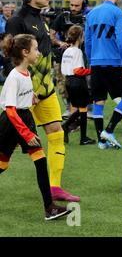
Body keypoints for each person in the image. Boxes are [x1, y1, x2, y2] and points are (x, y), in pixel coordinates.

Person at [6, 0, 79, 202]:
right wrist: (26, 89)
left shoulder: (41, 18)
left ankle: (55, 186)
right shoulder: (18, 20)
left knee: (56, 132)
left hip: (45, 92)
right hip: (25, 95)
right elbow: (12, 55)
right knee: (6, 148)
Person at [0, 34, 70, 220]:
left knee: (40, 161)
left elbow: (22, 99)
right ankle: (50, 208)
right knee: (2, 164)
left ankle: (50, 208)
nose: (39, 53)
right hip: (11, 123)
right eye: (36, 49)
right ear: (25, 52)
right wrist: (26, 133)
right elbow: (10, 110)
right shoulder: (14, 76)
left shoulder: (27, 73)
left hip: (24, 118)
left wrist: (31, 97)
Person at [85, 0, 122, 150]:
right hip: (113, 62)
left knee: (99, 101)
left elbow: (87, 41)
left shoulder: (91, 14)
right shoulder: (117, 12)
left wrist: (91, 59)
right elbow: (121, 38)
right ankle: (109, 130)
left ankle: (101, 142)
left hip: (96, 63)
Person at [50, 0, 89, 119]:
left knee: (84, 83)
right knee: (62, 83)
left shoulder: (88, 16)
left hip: (82, 55)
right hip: (63, 55)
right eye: (71, 5)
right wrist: (60, 42)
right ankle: (68, 107)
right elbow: (52, 34)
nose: (73, 8)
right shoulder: (62, 17)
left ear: (83, 5)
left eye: (76, 6)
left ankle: (84, 108)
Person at [61, 25, 96, 146]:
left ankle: (67, 127)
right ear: (80, 37)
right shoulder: (77, 51)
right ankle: (82, 137)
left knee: (81, 107)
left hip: (69, 81)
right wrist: (92, 71)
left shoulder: (66, 51)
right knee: (83, 107)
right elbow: (78, 70)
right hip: (77, 81)